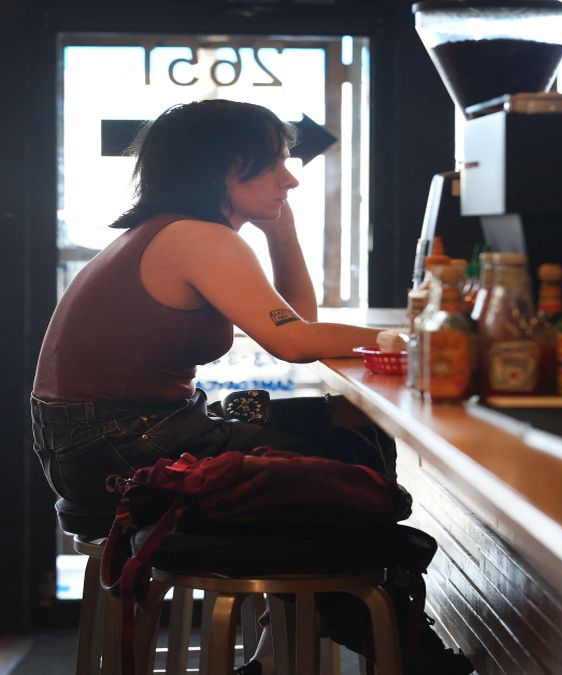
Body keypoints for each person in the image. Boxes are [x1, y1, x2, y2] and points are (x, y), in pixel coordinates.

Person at [30, 99, 472, 675]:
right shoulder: (196, 237)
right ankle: (378, 634)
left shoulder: (173, 232)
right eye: (275, 164)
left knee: (346, 427)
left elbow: (298, 325)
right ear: (225, 170)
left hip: (102, 442)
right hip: (121, 449)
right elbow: (293, 342)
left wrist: (281, 231)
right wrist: (417, 336)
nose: (291, 178)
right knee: (345, 459)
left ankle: (290, 646)